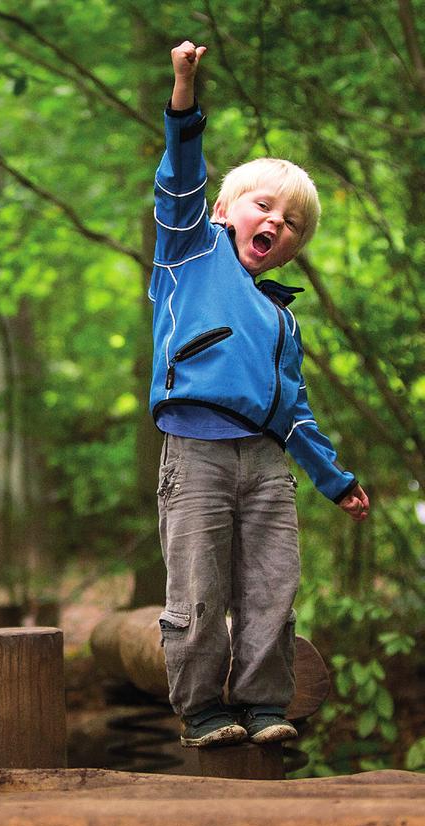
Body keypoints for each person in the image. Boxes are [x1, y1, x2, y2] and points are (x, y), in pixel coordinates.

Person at [150, 40, 370, 748]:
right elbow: (180, 173)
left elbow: (295, 408)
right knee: (200, 588)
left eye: (293, 221)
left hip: (268, 466)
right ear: (223, 210)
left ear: (293, 246)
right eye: (264, 205)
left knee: (273, 587)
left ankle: (264, 702)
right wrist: (185, 87)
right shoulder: (190, 251)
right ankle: (203, 708)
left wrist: (334, 478)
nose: (276, 222)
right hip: (197, 454)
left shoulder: (283, 317)